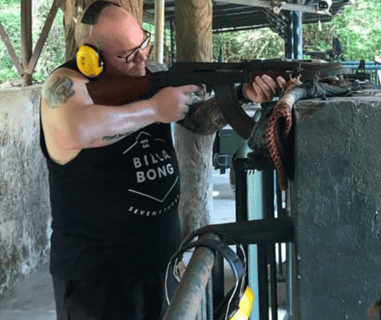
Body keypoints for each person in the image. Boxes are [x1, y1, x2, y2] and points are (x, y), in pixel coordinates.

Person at [39, 1, 286, 319]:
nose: (142, 59)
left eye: (143, 45)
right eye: (128, 56)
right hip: (96, 276)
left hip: (160, 260)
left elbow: (196, 120)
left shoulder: (152, 74)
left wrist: (239, 95)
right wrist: (154, 109)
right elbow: (78, 130)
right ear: (92, 58)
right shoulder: (63, 85)